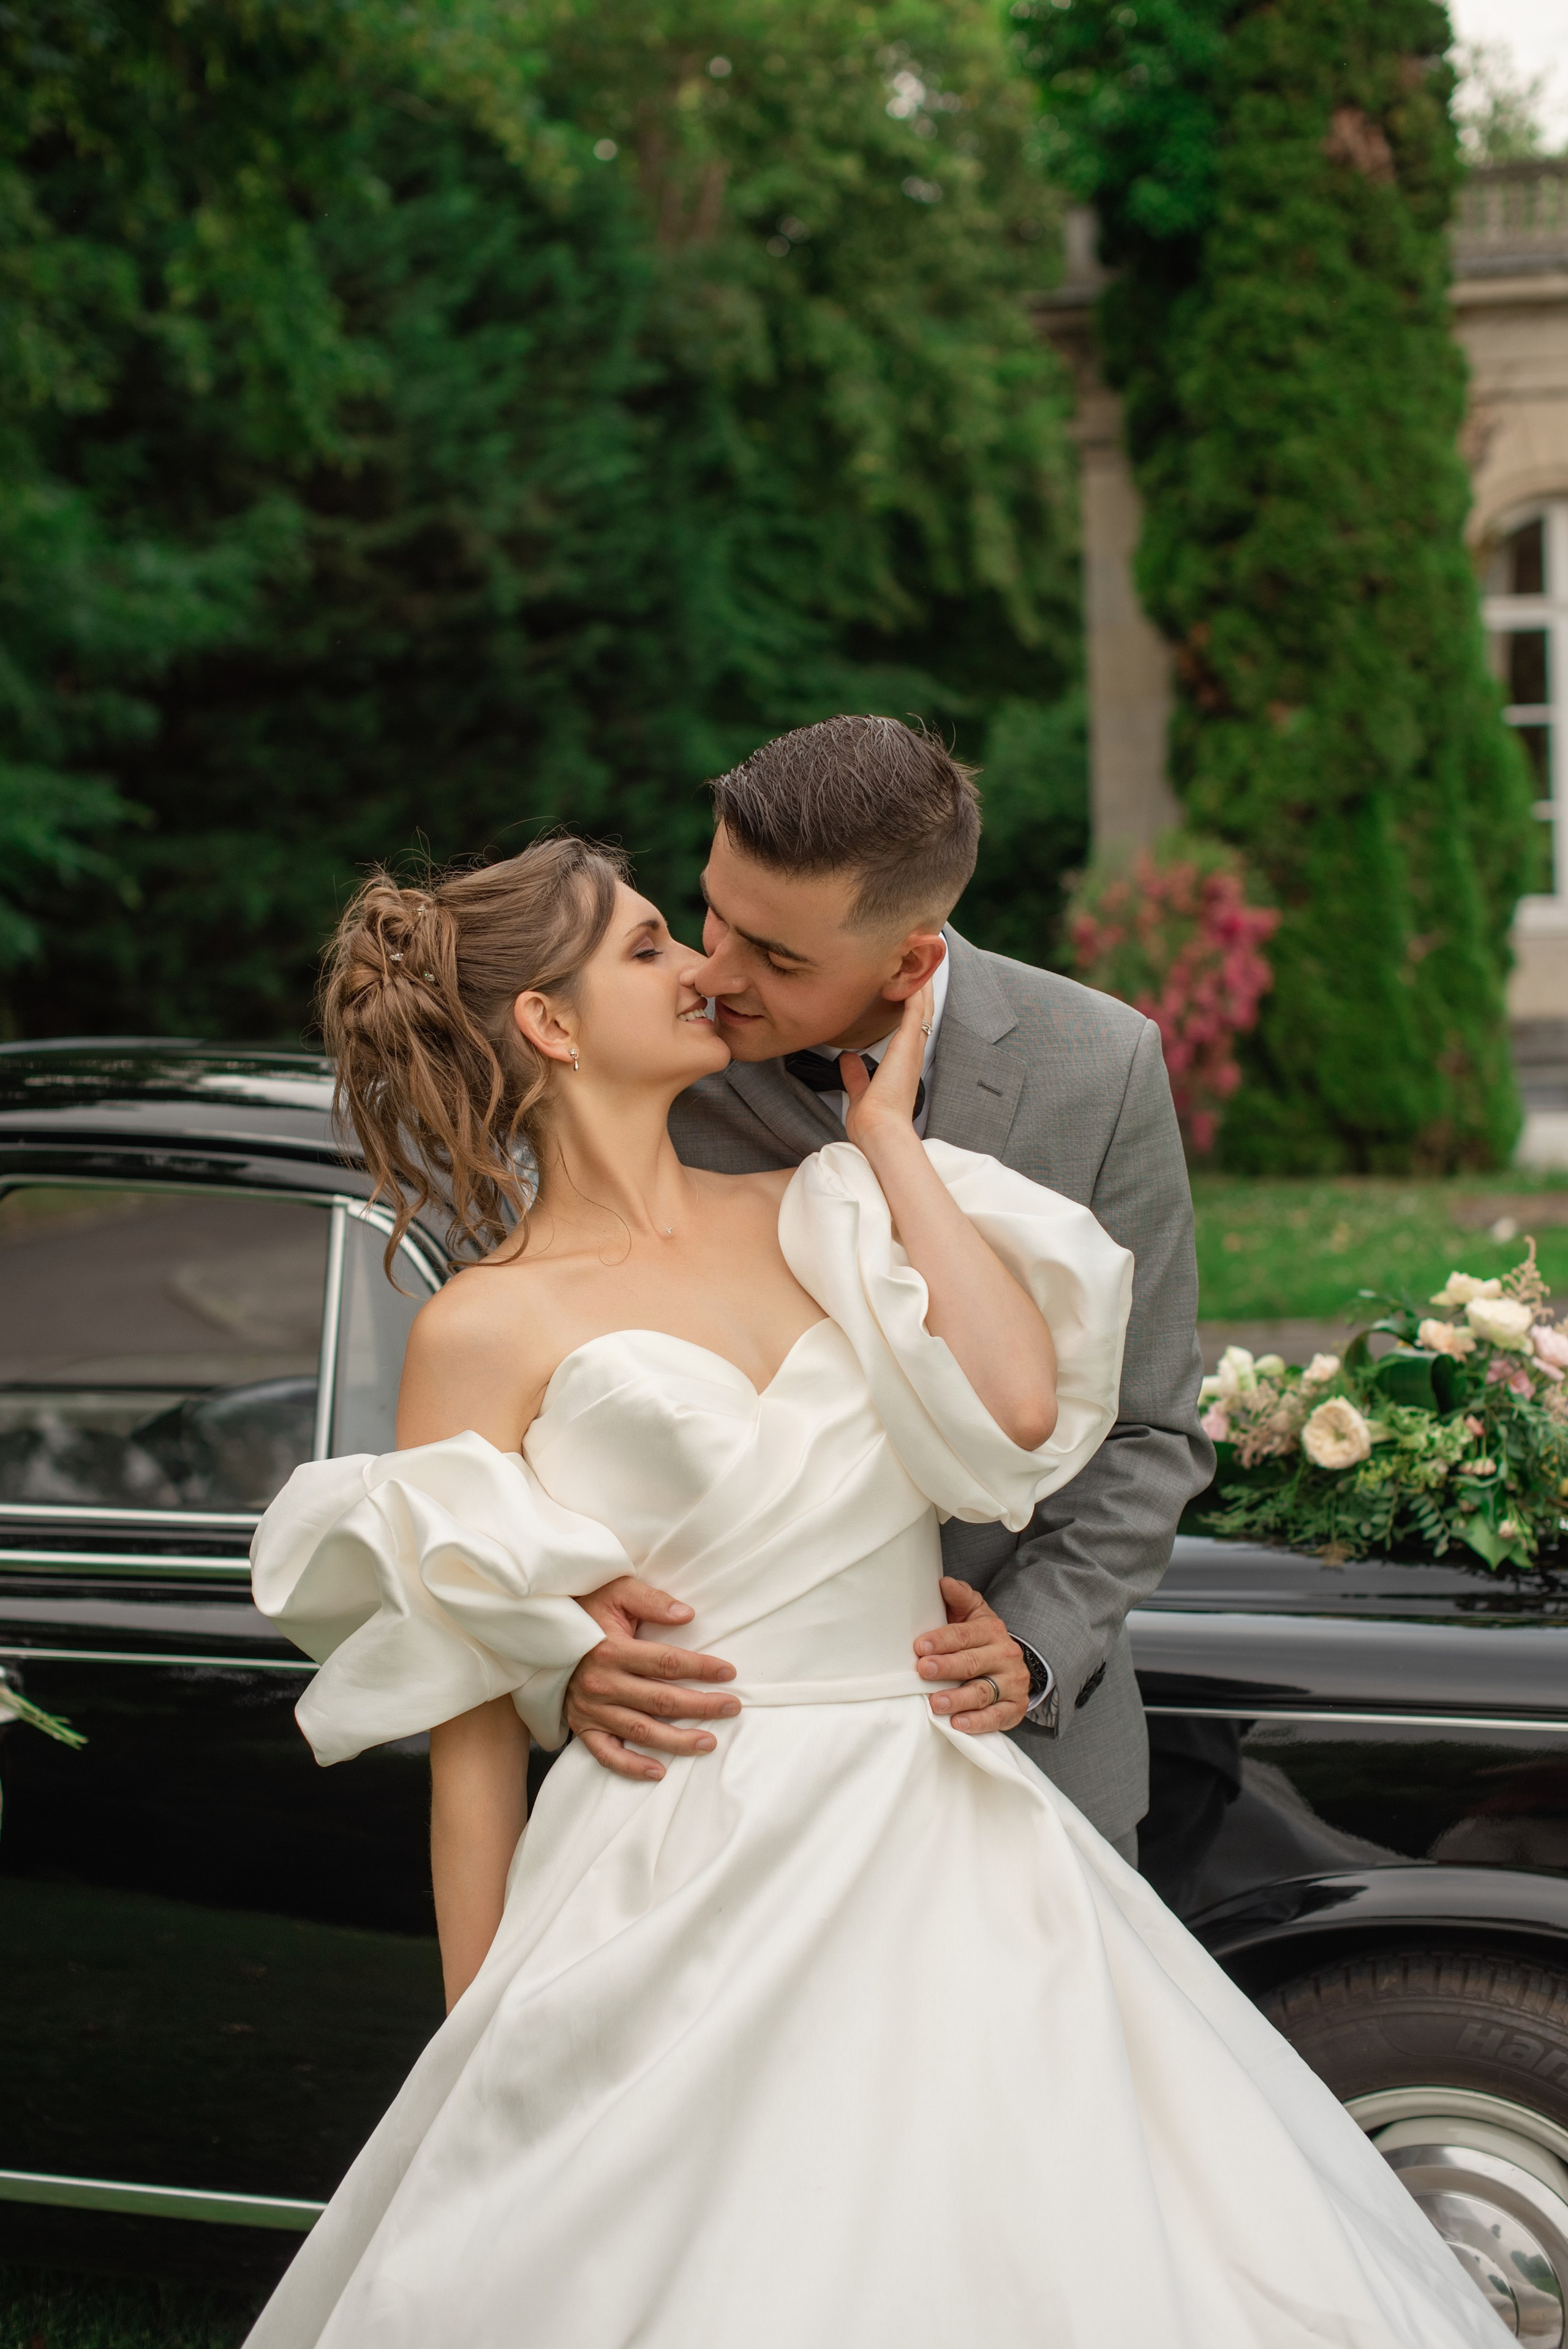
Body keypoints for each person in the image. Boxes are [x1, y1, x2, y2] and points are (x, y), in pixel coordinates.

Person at [244, 834, 1500, 2347]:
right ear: (551, 1024)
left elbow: (1023, 1403)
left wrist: (890, 1136)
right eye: (651, 947)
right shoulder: (481, 1325)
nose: (703, 969)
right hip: (672, 1850)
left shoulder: (827, 1199)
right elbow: (464, 1726)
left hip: (937, 1816)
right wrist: (482, 2049)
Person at [563, 716, 1210, 1863]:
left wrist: (1034, 1640)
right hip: (724, 1774)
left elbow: (1149, 1429)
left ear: (911, 962)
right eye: (713, 910)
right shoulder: (645, 1062)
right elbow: (522, 1399)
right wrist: (563, 1630)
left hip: (1026, 1774)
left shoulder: (1099, 1067)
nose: (715, 972)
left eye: (778, 957)